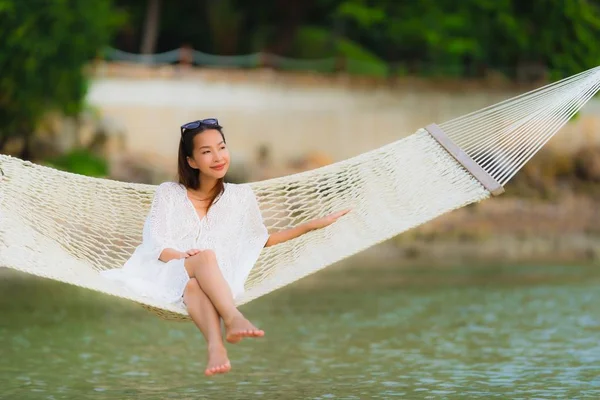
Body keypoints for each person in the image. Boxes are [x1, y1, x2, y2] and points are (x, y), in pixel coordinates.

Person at [101, 118, 349, 376]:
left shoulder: (241, 198)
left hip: (209, 284)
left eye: (221, 147)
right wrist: (183, 256)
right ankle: (233, 318)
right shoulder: (169, 193)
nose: (218, 157)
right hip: (164, 275)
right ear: (191, 161)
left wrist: (310, 226)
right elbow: (157, 244)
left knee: (195, 282)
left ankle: (215, 347)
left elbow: (259, 240)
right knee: (205, 257)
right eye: (207, 151)